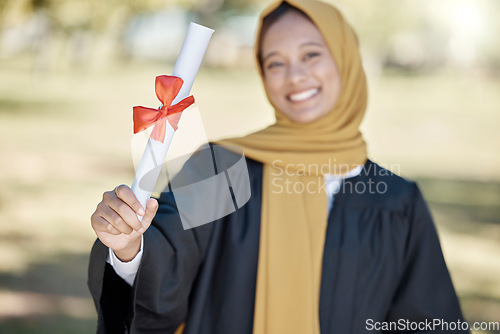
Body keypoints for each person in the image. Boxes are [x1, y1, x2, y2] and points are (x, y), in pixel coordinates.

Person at [88, 0, 468, 333]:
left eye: (311, 55)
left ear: (346, 58)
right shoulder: (223, 169)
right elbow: (163, 260)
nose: (295, 76)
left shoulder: (396, 201)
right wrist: (128, 246)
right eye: (275, 63)